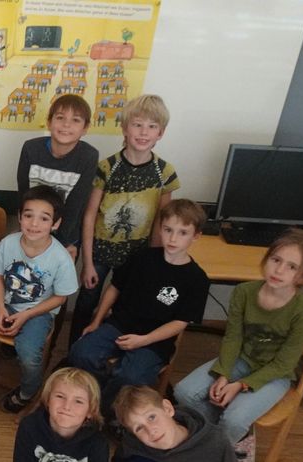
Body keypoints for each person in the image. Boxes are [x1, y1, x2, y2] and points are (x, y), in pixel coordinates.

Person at [174, 230, 303, 449]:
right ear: (266, 259)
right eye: (276, 260)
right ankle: (215, 441)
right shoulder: (244, 292)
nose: (279, 270)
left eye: (291, 266)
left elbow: (284, 364)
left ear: (302, 276)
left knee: (234, 419)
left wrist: (240, 386)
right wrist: (223, 374)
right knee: (184, 392)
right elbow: (233, 337)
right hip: (241, 360)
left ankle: (217, 448)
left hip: (274, 375)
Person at [69, 199, 209, 414]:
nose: (173, 238)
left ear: (196, 236)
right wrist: (97, 321)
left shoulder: (197, 279)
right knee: (81, 352)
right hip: (118, 325)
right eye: (168, 230)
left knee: (130, 376)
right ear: (160, 228)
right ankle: (98, 397)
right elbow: (115, 287)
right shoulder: (141, 257)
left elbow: (179, 322)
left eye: (183, 232)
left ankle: (103, 412)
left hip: (154, 340)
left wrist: (144, 340)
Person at [70, 94, 180, 349]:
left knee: (122, 308)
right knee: (86, 302)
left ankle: (105, 353)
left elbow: (162, 222)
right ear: (125, 128)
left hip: (137, 256)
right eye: (137, 124)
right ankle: (75, 352)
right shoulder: (107, 167)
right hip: (99, 252)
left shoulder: (165, 172)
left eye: (152, 127)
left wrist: (153, 261)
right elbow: (90, 215)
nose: (144, 132)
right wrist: (87, 263)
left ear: (161, 133)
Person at [0, 185, 77, 413]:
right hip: (6, 304)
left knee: (27, 352)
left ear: (55, 224)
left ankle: (28, 390)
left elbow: (61, 298)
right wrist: (2, 307)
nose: (34, 224)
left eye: (44, 219)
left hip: (38, 312)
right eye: (28, 216)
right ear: (21, 216)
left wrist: (26, 315)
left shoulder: (60, 257)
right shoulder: (9, 243)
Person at [16, 94, 99, 262]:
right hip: (32, 229)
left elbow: (76, 205)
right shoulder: (31, 148)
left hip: (66, 234)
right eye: (60, 117)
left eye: (76, 120)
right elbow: (23, 194)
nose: (66, 125)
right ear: (49, 122)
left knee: (57, 282)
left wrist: (61, 243)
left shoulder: (89, 156)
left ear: (85, 128)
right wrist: (29, 234)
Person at [113, 386, 236, 462]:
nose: (151, 431)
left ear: (168, 409)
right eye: (139, 428)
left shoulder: (215, 441)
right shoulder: (131, 448)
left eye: (151, 417)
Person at [13, 367, 109, 462]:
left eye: (78, 401)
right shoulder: (29, 427)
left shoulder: (98, 444)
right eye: (60, 396)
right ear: (47, 400)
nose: (67, 406)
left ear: (90, 411)